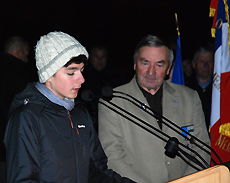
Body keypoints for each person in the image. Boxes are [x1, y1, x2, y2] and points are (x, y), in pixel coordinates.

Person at [4, 31, 136, 183]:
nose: (81, 79)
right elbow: (23, 179)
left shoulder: (79, 113)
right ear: (48, 74)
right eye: (71, 72)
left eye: (81, 70)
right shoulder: (26, 118)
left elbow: (95, 172)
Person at [98, 35, 211, 183]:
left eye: (159, 64)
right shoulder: (112, 102)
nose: (151, 72)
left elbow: (202, 149)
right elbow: (113, 157)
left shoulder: (190, 98)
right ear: (134, 64)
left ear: (169, 68)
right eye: (145, 63)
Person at [0, 36, 30, 183]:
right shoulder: (19, 71)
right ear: (19, 52)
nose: (26, 59)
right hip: (8, 140)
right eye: (26, 55)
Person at [78, 44, 126, 132]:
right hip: (87, 126)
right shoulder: (81, 78)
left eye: (103, 57)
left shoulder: (116, 78)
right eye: (96, 56)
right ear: (90, 57)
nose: (100, 61)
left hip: (111, 125)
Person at [185, 47, 214, 132]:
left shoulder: (221, 89)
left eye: (209, 62)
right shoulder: (185, 86)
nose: (206, 65)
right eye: (202, 62)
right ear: (193, 64)